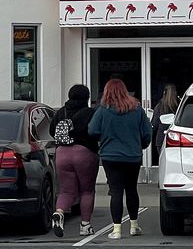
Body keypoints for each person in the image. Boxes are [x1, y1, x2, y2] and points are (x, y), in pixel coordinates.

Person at [88, 78, 152, 239]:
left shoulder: (103, 110)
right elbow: (146, 133)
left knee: (116, 191)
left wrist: (103, 137)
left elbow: (92, 130)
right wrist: (141, 145)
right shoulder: (137, 109)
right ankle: (134, 225)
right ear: (125, 91)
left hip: (110, 155)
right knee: (131, 190)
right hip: (132, 155)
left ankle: (116, 229)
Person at [49, 84, 100, 237]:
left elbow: (53, 131)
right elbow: (95, 132)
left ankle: (59, 213)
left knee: (66, 191)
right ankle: (85, 226)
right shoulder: (90, 113)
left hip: (61, 153)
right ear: (87, 97)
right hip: (84, 153)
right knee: (87, 191)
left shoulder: (60, 112)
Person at [150, 84, 179, 166]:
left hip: (161, 139)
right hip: (175, 139)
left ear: (164, 93)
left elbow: (154, 125)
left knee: (164, 164)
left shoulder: (159, 106)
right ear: (175, 93)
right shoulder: (179, 106)